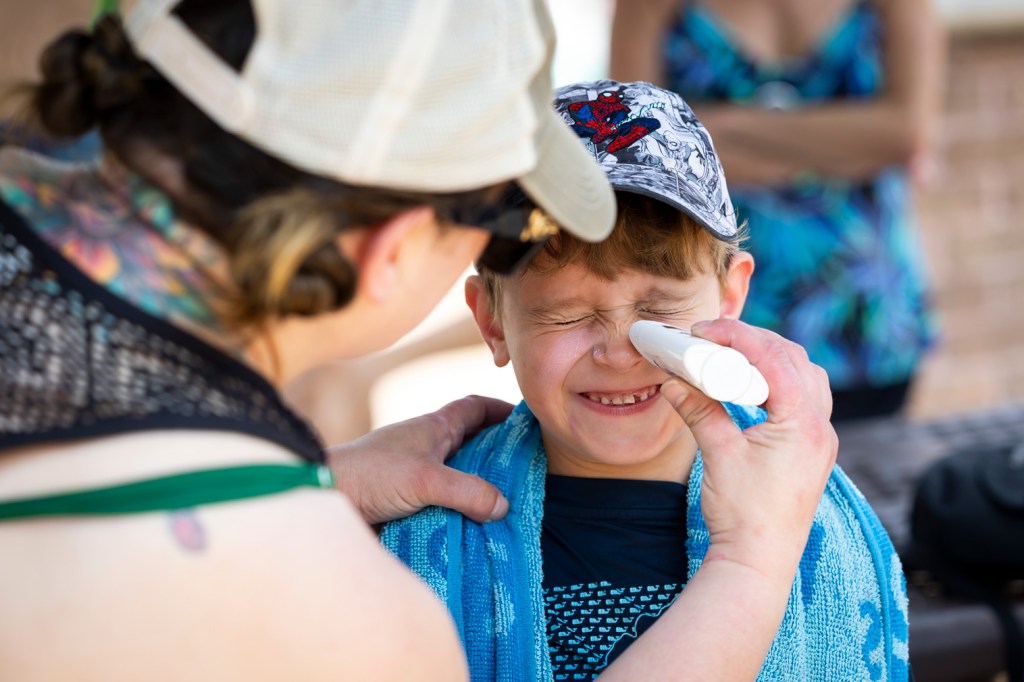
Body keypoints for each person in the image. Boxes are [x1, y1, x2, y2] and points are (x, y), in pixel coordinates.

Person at [0, 5, 836, 682]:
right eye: (506, 219)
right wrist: (753, 566)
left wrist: (320, 481)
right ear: (392, 252)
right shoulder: (342, 615)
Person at [383, 81, 906, 681]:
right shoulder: (424, 545)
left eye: (659, 312)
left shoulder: (815, 522)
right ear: (492, 322)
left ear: (730, 297)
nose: (619, 352)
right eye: (568, 315)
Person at [610, 0, 945, 422]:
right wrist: (848, 145)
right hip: (717, 318)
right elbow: (631, 144)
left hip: (860, 315)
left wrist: (721, 126)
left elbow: (905, 132)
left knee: (870, 475)